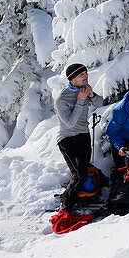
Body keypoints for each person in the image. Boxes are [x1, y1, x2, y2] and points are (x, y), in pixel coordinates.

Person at [55, 63, 96, 211]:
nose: (86, 76)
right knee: (79, 173)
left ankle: (79, 197)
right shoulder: (61, 99)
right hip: (67, 139)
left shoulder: (85, 89)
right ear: (72, 79)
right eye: (81, 75)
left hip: (83, 136)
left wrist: (92, 95)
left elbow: (98, 103)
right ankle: (66, 203)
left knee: (84, 170)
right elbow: (70, 123)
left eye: (86, 73)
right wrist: (80, 100)